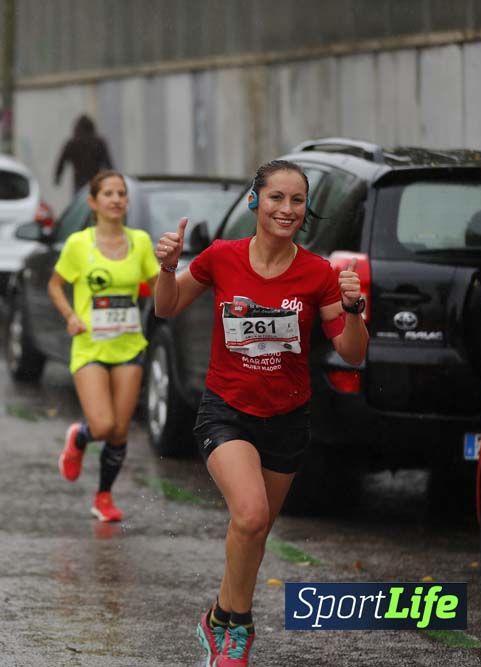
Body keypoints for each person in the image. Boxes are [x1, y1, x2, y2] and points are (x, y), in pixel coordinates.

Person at [152, 159, 368, 666]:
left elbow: (353, 352)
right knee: (249, 514)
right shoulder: (222, 258)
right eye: (276, 198)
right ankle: (238, 629)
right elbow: (167, 307)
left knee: (255, 531)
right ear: (255, 200)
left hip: (287, 419)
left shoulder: (318, 274)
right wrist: (166, 268)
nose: (286, 209)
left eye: (297, 201)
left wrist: (355, 312)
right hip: (226, 410)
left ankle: (217, 617)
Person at [52, 170, 160, 522]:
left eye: (121, 194)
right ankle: (80, 437)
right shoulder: (78, 244)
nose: (116, 199)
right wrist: (70, 315)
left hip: (129, 344)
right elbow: (55, 285)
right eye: (109, 194)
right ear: (93, 202)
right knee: (101, 426)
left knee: (119, 429)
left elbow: (159, 286)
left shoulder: (141, 242)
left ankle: (103, 497)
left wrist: (171, 277)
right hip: (90, 346)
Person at [54, 114, 114, 196]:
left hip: (79, 184)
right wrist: (113, 179)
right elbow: (108, 163)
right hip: (95, 183)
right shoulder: (99, 143)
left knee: (79, 207)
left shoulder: (72, 143)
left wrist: (57, 178)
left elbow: (61, 162)